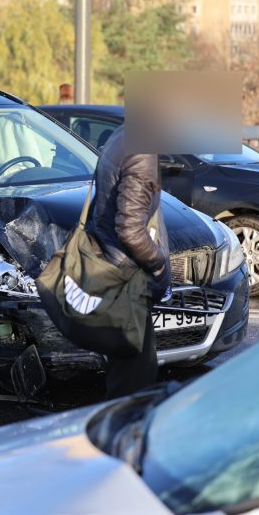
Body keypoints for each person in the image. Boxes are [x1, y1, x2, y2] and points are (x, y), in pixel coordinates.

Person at [86, 126, 171, 399]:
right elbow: (130, 230)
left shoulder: (122, 136)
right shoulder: (142, 152)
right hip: (128, 278)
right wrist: (158, 265)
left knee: (125, 372)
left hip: (111, 269)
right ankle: (123, 436)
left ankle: (119, 431)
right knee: (135, 379)